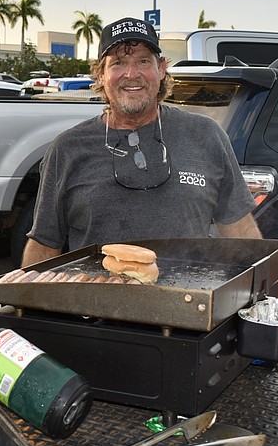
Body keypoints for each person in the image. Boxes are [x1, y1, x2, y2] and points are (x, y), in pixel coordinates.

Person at [23, 17, 262, 266]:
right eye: (118, 63)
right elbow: (44, 244)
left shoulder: (206, 135)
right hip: (97, 300)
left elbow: (239, 230)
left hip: (189, 300)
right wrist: (22, 300)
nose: (131, 74)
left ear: (161, 69)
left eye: (143, 61)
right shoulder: (67, 149)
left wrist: (260, 291)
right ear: (101, 75)